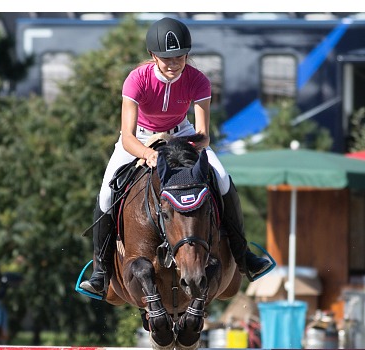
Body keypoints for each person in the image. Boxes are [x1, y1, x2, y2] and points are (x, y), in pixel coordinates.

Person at [80, 17, 272, 298]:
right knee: (107, 192)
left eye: (179, 57)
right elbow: (128, 136)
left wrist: (179, 145)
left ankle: (244, 257)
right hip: (141, 138)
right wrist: (149, 154)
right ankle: (101, 270)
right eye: (166, 58)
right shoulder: (136, 80)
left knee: (222, 179)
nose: (173, 64)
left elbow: (204, 134)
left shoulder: (198, 80)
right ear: (152, 56)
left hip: (182, 134)